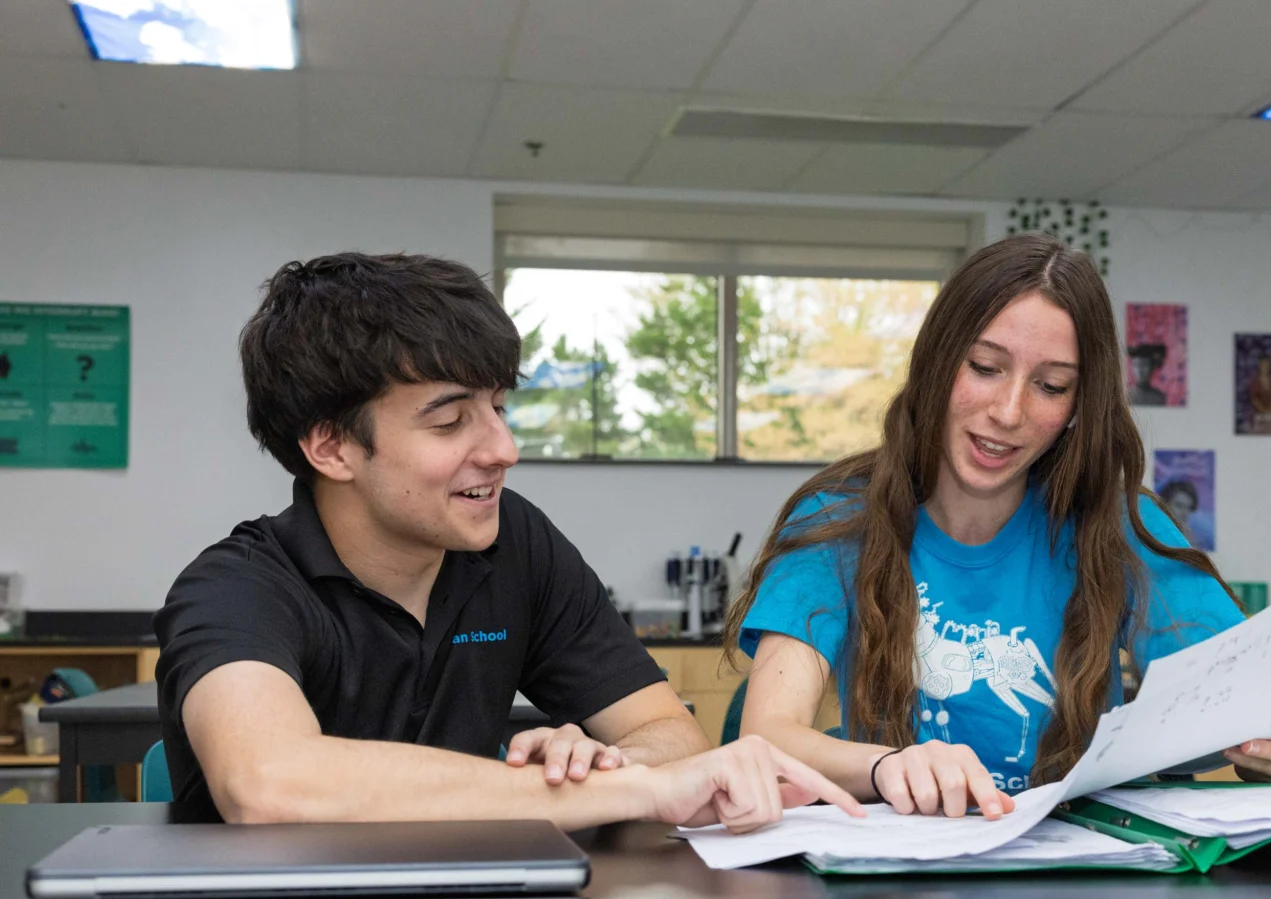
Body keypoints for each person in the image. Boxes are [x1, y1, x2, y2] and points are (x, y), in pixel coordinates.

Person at [155, 253, 860, 832]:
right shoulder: (236, 588)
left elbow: (670, 735)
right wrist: (627, 794)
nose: (503, 449)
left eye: (497, 407)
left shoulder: (513, 544)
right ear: (331, 446)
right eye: (449, 420)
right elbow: (269, 786)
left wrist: (597, 766)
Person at [725, 235, 1271, 820]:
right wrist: (889, 765)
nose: (1009, 412)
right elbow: (767, 738)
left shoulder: (1121, 524)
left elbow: (1251, 720)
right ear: (937, 364)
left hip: (1083, 884)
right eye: (985, 367)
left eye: (1051, 386)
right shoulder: (840, 518)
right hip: (902, 885)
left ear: (1078, 407)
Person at [1245, 355, 1271, 434]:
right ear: (1260, 366)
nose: (1265, 367)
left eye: (1267, 365)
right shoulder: (1255, 382)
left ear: (1270, 366)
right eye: (1263, 365)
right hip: (1258, 413)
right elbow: (1254, 399)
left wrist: (1270, 410)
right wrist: (1263, 410)